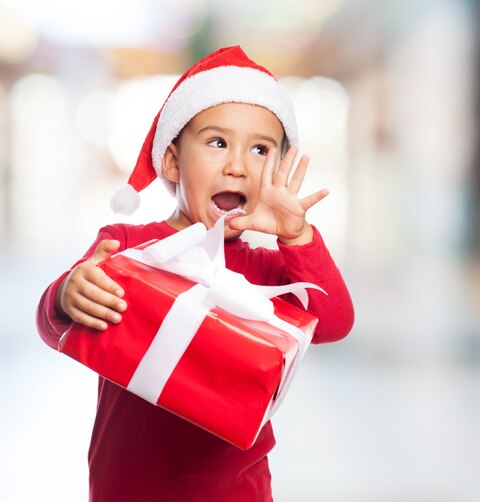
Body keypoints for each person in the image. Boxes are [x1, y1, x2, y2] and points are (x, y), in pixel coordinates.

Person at [36, 45, 354, 502]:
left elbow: (335, 321)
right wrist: (67, 294)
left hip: (238, 491)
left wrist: (298, 236)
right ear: (171, 162)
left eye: (260, 149)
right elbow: (57, 328)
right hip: (126, 487)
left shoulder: (270, 270)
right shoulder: (126, 247)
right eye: (217, 142)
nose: (238, 166)